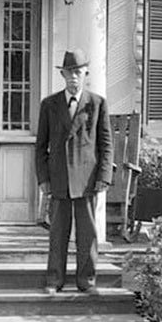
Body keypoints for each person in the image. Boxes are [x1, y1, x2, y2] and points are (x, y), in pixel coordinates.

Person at [35, 48, 113, 295]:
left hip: (87, 180)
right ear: (62, 74)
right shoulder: (50, 104)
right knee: (57, 234)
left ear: (85, 73)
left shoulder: (97, 104)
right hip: (58, 179)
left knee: (87, 234)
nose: (73, 77)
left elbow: (106, 145)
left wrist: (103, 177)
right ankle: (54, 280)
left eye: (77, 72)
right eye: (68, 72)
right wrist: (43, 179)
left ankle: (86, 281)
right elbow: (40, 147)